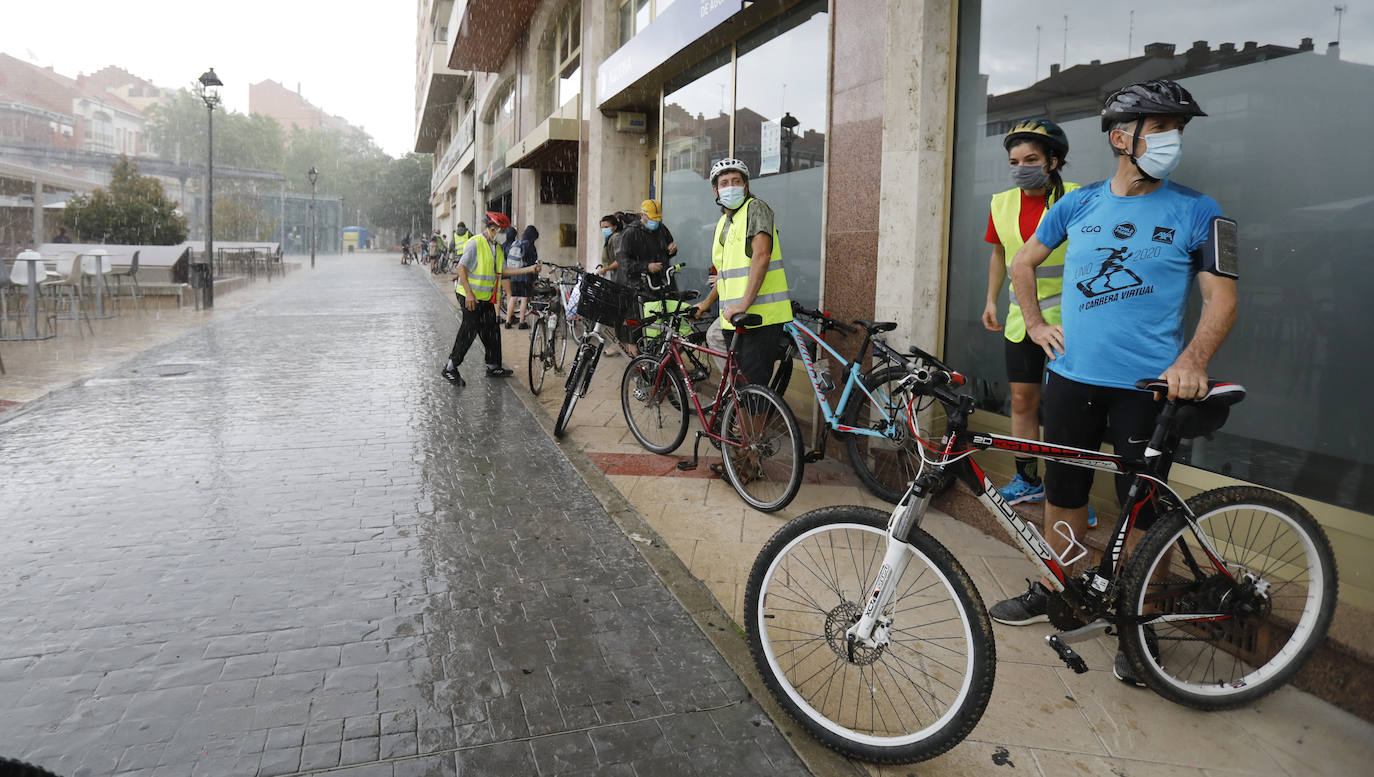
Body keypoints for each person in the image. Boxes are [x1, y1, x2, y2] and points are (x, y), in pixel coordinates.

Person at [995, 80, 1238, 688]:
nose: (1172, 141)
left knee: (1145, 508)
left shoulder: (1199, 209)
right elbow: (1022, 263)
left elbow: (1222, 295)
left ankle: (1138, 624)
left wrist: (1194, 359)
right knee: (1064, 493)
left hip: (1147, 391)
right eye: (1161, 129)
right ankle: (1065, 588)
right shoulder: (1078, 205)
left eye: (1177, 130)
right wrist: (1037, 323)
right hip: (1071, 381)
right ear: (1121, 138)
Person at [981, 119, 1081, 510]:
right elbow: (999, 254)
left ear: (1053, 161)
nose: (1021, 167)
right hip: (1020, 319)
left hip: (1066, 321)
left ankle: (1068, 493)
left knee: (1063, 411)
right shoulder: (1000, 202)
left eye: (1031, 159)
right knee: (1023, 401)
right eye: (1014, 160)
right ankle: (1027, 479)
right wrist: (991, 299)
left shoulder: (1077, 198)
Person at [442, 211, 517, 384]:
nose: (503, 233)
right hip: (468, 295)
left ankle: (493, 366)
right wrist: (469, 293)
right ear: (492, 229)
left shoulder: (496, 248)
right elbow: (461, 268)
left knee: (492, 329)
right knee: (469, 329)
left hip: (484, 298)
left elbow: (504, 271)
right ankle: (450, 368)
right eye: (501, 230)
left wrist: (529, 269)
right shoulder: (475, 243)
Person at [503, 225, 542, 329]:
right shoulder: (529, 245)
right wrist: (535, 277)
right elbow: (533, 263)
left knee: (513, 297)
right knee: (524, 298)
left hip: (515, 274)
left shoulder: (517, 242)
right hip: (525, 275)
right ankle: (521, 322)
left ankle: (508, 321)